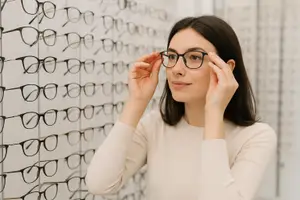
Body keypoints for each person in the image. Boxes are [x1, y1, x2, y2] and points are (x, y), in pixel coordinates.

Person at [85, 15, 277, 200]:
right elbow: (100, 184)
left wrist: (214, 112)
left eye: (194, 57)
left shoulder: (256, 137)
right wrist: (137, 101)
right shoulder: (155, 125)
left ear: (226, 68)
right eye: (172, 56)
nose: (177, 69)